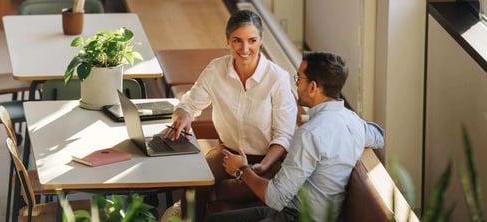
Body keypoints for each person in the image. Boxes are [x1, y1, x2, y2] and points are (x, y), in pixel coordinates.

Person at [207, 52, 386, 222]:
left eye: (299, 79)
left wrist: (241, 170)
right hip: (299, 210)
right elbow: (379, 136)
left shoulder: (310, 134)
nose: (296, 84)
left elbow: (275, 197)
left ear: (313, 87)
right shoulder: (352, 120)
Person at [164, 9, 297, 220]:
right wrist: (184, 115)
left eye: (252, 40)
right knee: (195, 182)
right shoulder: (216, 70)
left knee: (235, 189)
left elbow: (284, 135)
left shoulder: (278, 78)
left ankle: (207, 197)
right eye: (237, 40)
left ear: (261, 40)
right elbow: (189, 103)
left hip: (267, 159)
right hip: (227, 153)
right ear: (228, 41)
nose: (245, 48)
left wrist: (261, 166)